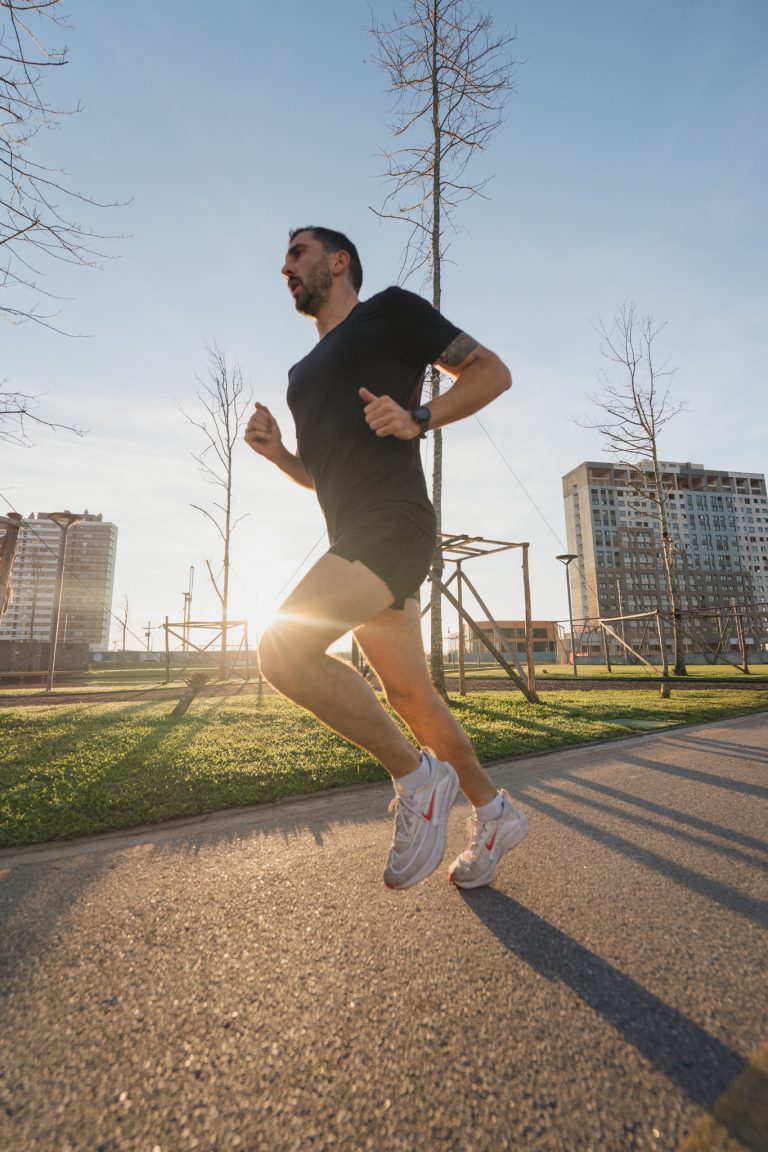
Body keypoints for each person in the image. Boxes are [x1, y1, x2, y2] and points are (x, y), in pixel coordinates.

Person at [245, 226, 528, 890]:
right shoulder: (300, 377)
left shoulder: (391, 312)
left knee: (282, 649)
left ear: (338, 262)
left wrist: (419, 417)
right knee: (412, 697)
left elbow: (493, 371)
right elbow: (325, 476)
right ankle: (494, 811)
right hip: (354, 534)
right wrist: (279, 455)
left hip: (393, 524)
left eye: (297, 253)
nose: (284, 267)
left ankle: (418, 779)